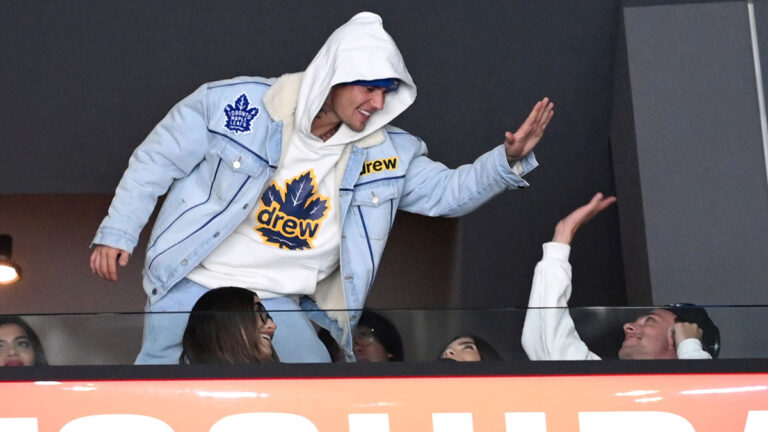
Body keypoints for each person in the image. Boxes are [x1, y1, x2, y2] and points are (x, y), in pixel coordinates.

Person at [90, 12, 554, 364]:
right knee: (157, 384)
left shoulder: (387, 151)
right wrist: (118, 230)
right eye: (368, 87)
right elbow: (156, 159)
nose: (378, 102)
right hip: (194, 278)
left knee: (318, 383)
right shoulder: (238, 104)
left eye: (387, 90)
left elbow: (448, 194)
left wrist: (507, 161)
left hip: (277, 297)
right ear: (333, 74)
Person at [521, 193, 720, 360]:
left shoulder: (714, 388)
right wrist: (562, 235)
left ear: (678, 338)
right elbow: (547, 345)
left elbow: (700, 399)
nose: (627, 326)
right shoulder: (610, 384)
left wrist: (691, 348)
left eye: (650, 320)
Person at [180, 287, 278, 364]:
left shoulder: (288, 382)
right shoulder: (177, 386)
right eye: (258, 313)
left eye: (266, 315)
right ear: (225, 327)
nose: (273, 326)